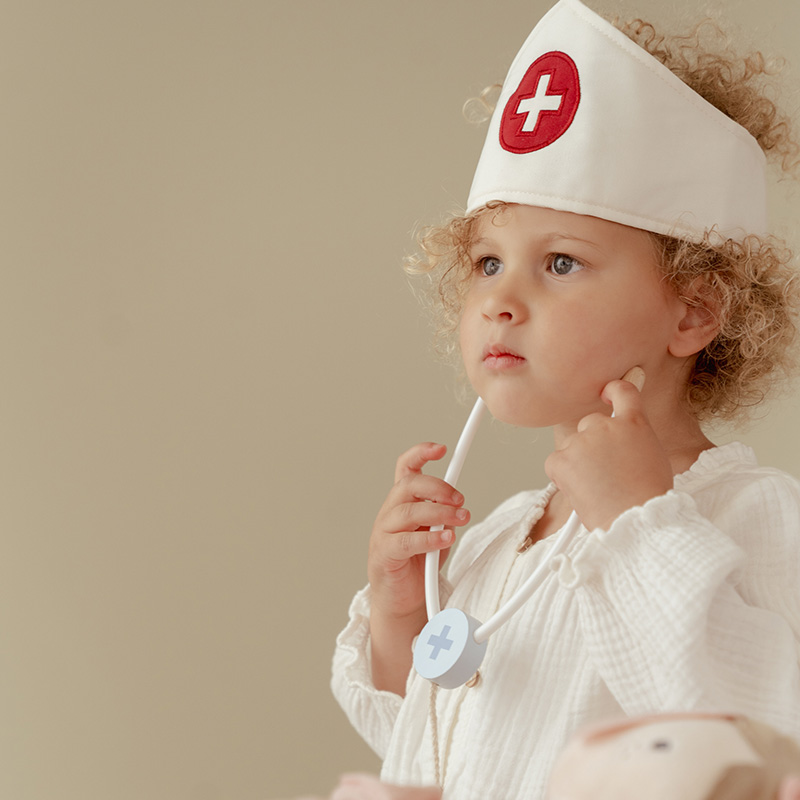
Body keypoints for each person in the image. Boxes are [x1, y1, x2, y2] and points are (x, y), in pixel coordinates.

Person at [331, 1, 800, 798]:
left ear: (694, 310)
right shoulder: (498, 540)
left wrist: (638, 525)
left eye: (560, 264)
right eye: (487, 263)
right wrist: (401, 613)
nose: (499, 301)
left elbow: (766, 734)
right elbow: (437, 745)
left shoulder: (751, 514)